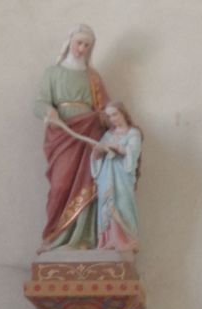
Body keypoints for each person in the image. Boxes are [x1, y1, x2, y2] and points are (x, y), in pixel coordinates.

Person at [35, 24, 109, 251]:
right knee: (61, 184)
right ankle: (53, 237)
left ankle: (82, 238)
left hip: (90, 132)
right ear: (69, 42)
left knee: (89, 183)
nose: (82, 48)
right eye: (79, 42)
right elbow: (40, 102)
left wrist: (113, 121)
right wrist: (50, 112)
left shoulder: (93, 77)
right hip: (63, 132)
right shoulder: (53, 73)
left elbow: (105, 107)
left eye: (87, 45)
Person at [90, 102, 142, 253]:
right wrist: (97, 152)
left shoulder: (133, 133)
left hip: (122, 176)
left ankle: (126, 240)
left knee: (122, 204)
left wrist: (118, 148)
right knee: (107, 205)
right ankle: (109, 240)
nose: (112, 119)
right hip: (107, 175)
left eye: (115, 114)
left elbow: (133, 152)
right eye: (109, 116)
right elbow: (96, 156)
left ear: (123, 113)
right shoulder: (108, 135)